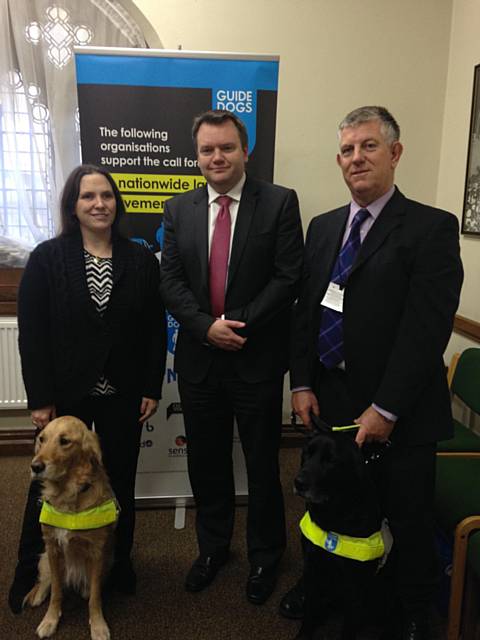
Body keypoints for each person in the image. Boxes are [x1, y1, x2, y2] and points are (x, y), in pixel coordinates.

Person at [281, 106, 463, 640]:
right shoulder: (323, 227)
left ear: (395, 153)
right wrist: (303, 381)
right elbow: (306, 310)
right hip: (332, 401)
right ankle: (326, 588)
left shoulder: (431, 228)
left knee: (404, 517)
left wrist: (385, 408)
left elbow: (425, 329)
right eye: (346, 149)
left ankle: (411, 610)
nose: (355, 158)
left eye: (368, 146)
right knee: (331, 509)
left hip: (401, 410)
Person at [160, 110, 304, 604]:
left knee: (263, 463)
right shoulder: (178, 210)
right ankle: (213, 548)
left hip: (255, 358)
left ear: (245, 151)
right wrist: (205, 327)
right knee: (207, 461)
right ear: (196, 155)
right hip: (201, 360)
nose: (216, 157)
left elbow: (288, 277)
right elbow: (171, 282)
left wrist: (234, 323)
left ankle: (266, 556)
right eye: (206, 150)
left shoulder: (280, 203)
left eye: (225, 148)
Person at [8, 164, 167, 612]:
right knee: (48, 479)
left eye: (107, 196)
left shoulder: (139, 259)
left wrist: (150, 385)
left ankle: (119, 564)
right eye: (87, 197)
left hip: (123, 391)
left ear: (117, 203)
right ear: (73, 207)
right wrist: (40, 399)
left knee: (118, 478)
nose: (99, 204)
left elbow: (155, 329)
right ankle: (30, 568)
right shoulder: (47, 257)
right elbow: (32, 333)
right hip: (65, 393)